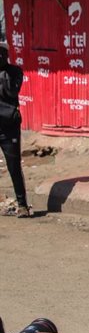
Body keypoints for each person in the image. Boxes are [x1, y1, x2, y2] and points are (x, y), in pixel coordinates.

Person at [0, 43, 31, 218]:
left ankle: (23, 205)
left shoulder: (14, 72)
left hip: (9, 129)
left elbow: (11, 92)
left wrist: (3, 73)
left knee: (14, 167)